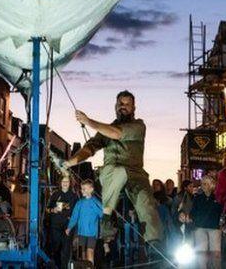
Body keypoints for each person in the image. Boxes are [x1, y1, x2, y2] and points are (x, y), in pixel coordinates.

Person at [64, 90, 164, 248]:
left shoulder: (138, 126)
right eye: (120, 104)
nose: (123, 107)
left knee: (146, 202)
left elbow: (117, 134)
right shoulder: (105, 129)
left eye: (127, 104)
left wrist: (89, 121)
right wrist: (71, 161)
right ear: (115, 106)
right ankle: (106, 220)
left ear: (133, 108)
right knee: (117, 172)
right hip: (111, 173)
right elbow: (89, 148)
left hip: (135, 174)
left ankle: (154, 243)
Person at [188, 174, 222, 269]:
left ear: (212, 185)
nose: (203, 186)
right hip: (200, 228)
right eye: (202, 184)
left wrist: (222, 223)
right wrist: (189, 217)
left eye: (206, 184)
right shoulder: (198, 198)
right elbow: (193, 212)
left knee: (215, 253)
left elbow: (222, 211)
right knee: (201, 253)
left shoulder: (218, 198)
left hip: (214, 228)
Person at [66, 179, 103, 265]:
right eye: (81, 189)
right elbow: (74, 216)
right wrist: (69, 227)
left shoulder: (96, 202)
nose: (82, 191)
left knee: (90, 253)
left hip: (92, 233)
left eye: (84, 189)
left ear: (91, 189)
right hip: (81, 233)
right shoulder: (79, 203)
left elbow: (102, 215)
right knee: (82, 255)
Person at [47, 174, 78, 267]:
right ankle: (56, 265)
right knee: (55, 246)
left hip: (68, 225)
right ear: (60, 183)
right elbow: (47, 209)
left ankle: (64, 266)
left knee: (66, 248)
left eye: (67, 181)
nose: (65, 183)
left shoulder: (74, 196)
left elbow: (76, 212)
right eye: (63, 181)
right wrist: (53, 210)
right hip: (55, 225)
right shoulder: (55, 194)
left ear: (70, 183)